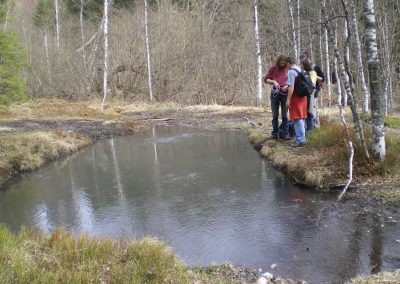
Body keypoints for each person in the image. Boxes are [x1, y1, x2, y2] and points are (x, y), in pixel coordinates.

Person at [264, 55, 290, 140]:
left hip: (285, 94)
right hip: (275, 93)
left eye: (284, 62)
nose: (282, 64)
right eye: (281, 62)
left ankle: (285, 133)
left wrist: (287, 85)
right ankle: (275, 133)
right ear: (278, 62)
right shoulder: (273, 68)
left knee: (285, 115)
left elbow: (294, 80)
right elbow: (266, 79)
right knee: (275, 114)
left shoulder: (289, 69)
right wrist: (274, 81)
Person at [300, 51, 325, 130]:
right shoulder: (301, 68)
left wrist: (313, 74)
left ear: (309, 58)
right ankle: (307, 128)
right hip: (304, 92)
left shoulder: (315, 67)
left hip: (314, 91)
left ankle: (316, 127)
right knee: (306, 110)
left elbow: (322, 78)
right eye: (302, 58)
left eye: (305, 58)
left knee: (313, 109)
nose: (304, 59)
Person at [286, 56, 307, 147]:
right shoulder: (301, 70)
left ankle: (300, 140)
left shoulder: (291, 72)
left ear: (288, 63)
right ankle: (301, 138)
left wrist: (288, 99)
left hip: (296, 98)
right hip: (303, 97)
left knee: (297, 119)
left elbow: (291, 87)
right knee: (301, 118)